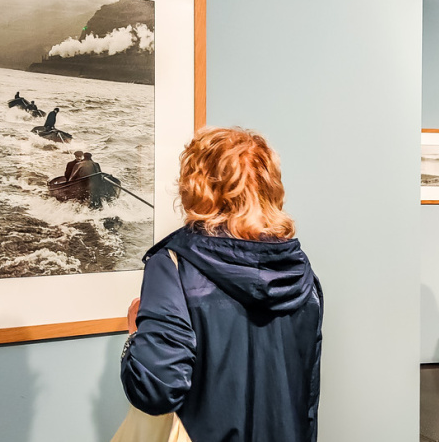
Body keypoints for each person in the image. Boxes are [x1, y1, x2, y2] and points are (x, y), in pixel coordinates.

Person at [120, 127, 323, 442]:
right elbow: (306, 396)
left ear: (196, 185)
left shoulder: (174, 266)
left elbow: (157, 390)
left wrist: (135, 336)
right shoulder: (300, 271)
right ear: (269, 185)